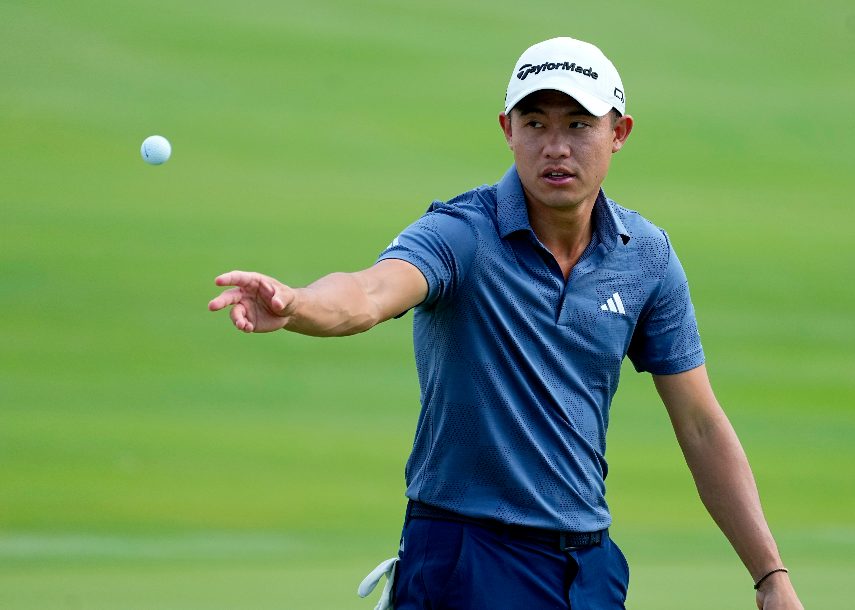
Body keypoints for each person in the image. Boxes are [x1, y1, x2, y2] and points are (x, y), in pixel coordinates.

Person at [208, 37, 803, 610]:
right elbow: (369, 292)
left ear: (617, 133)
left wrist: (769, 574)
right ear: (507, 131)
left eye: (578, 124)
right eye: (536, 123)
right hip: (469, 557)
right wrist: (298, 305)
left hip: (588, 568)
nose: (556, 146)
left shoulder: (645, 256)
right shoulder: (461, 233)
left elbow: (700, 423)